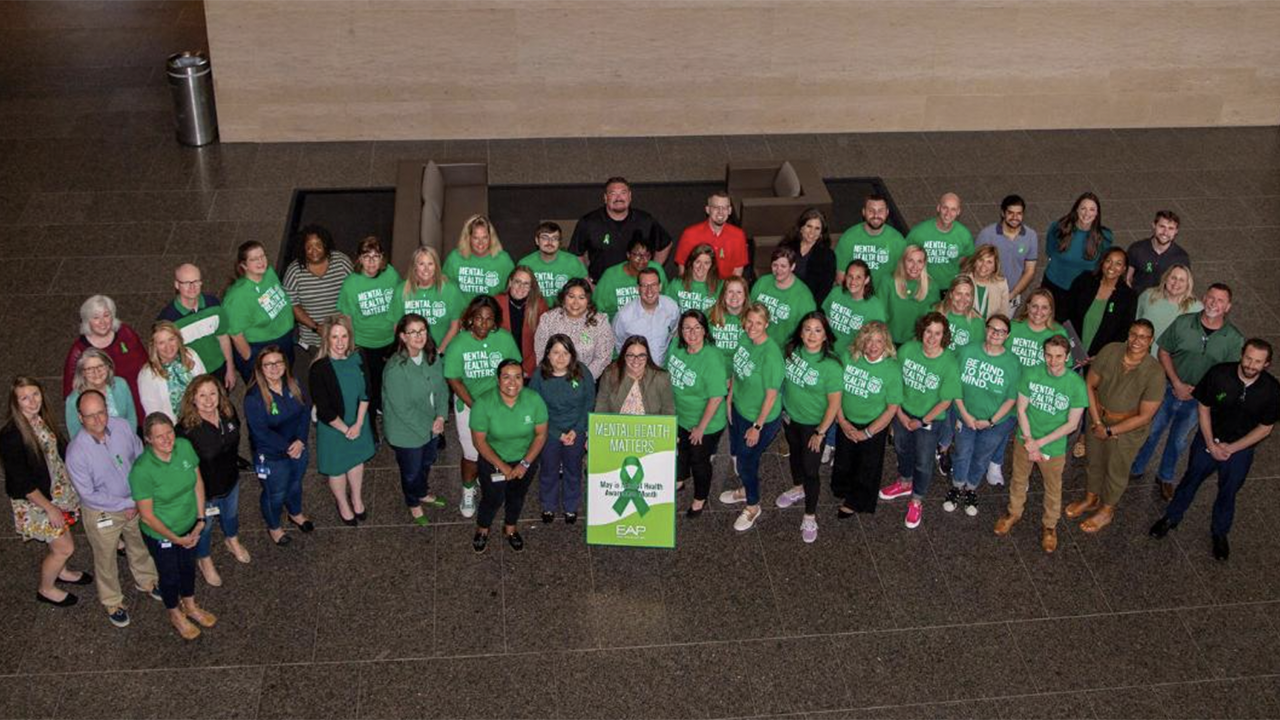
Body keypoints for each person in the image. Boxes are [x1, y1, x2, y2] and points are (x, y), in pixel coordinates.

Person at [1150, 340, 1279, 561]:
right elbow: (1204, 407)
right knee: (1190, 479)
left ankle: (1220, 533)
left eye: (1258, 361)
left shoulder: (1272, 391)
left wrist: (1232, 448)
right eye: (1248, 358)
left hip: (1241, 449)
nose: (1250, 364)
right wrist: (1210, 443)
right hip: (1208, 440)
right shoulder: (1219, 374)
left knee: (1228, 492)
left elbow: (1265, 428)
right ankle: (1171, 517)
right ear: (1241, 354)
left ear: (1267, 364)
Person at [1130, 283, 1245, 500]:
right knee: (1152, 430)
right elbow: (1164, 351)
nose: (1214, 303)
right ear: (1204, 298)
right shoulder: (1184, 322)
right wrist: (1176, 382)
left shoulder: (1233, 338)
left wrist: (1198, 391)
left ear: (1228, 306)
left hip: (1199, 400)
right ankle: (1136, 466)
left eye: (1221, 301)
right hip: (1168, 388)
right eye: (1211, 298)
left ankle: (1165, 476)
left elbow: (1229, 375)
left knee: (1178, 439)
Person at [65, 390, 159, 627]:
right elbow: (89, 495)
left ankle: (146, 580)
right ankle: (112, 601)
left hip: (134, 502)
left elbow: (140, 458)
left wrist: (138, 497)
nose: (98, 420)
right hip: (103, 512)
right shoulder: (76, 452)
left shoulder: (122, 427)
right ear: (80, 417)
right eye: (90, 416)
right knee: (105, 558)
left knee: (138, 542)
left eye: (101, 413)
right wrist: (128, 504)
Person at [1063, 321, 1164, 532]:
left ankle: (1107, 510)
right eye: (1134, 334)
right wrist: (1098, 422)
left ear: (1151, 340)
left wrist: (1111, 431)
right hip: (1098, 417)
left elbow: (1145, 416)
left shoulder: (1155, 372)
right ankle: (1091, 498)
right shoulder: (1110, 351)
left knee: (1116, 469)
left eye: (1144, 337)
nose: (1137, 340)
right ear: (1128, 334)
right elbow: (1090, 385)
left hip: (1127, 430)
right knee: (1094, 460)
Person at [993, 336, 1089, 554]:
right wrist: (1029, 441)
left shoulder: (1076, 385)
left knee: (1053, 488)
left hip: (1053, 446)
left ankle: (1050, 526)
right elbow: (1021, 409)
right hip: (1025, 440)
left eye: (1058, 356)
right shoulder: (1032, 373)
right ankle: (1013, 513)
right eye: (1048, 355)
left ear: (1066, 357)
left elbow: (1072, 424)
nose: (1052, 361)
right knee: (1018, 478)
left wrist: (1040, 444)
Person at [2, 377, 89, 608]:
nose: (32, 402)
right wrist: (50, 509)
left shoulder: (41, 419)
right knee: (65, 547)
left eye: (35, 395)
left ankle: (63, 571)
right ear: (15, 403)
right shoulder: (11, 435)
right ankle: (46, 588)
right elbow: (22, 482)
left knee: (62, 535)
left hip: (56, 489)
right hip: (37, 500)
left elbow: (58, 450)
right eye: (24, 398)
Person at [129, 412, 217, 640]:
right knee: (169, 576)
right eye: (159, 437)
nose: (168, 440)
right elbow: (147, 516)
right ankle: (175, 613)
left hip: (189, 526)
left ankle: (190, 605)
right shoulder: (142, 470)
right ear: (148, 440)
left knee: (187, 568)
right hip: (162, 535)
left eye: (170, 433)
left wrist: (200, 520)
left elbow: (197, 482)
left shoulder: (184, 446)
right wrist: (176, 539)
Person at [879, 312, 961, 529]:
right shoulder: (907, 350)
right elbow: (894, 382)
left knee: (924, 461)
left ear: (944, 336)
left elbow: (945, 401)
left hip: (929, 420)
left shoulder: (949, 363)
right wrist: (900, 414)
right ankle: (905, 482)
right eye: (928, 332)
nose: (932, 338)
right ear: (921, 332)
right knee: (901, 448)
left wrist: (922, 421)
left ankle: (917, 500)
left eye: (937, 333)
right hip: (903, 412)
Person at [445, 296, 522, 518]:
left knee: (497, 448)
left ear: (495, 321)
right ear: (470, 318)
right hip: (470, 405)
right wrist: (476, 406)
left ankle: (488, 477)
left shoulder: (504, 339)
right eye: (478, 318)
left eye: (489, 320)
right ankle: (468, 490)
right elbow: (453, 379)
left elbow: (514, 369)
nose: (483, 324)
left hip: (500, 405)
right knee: (471, 454)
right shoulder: (459, 343)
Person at [773, 312, 842, 542]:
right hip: (791, 419)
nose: (812, 335)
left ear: (825, 336)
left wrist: (821, 432)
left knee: (811, 471)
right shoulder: (791, 352)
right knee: (795, 459)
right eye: (807, 329)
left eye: (817, 330)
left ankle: (810, 516)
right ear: (800, 333)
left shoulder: (831, 366)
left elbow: (834, 403)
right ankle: (797, 487)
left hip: (814, 426)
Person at [944, 314, 1021, 517]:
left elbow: (1011, 399)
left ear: (1007, 335)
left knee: (981, 457)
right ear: (986, 330)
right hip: (965, 416)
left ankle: (971, 489)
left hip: (995, 423)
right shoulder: (968, 351)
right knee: (962, 452)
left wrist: (990, 421)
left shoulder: (1012, 363)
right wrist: (965, 415)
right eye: (992, 329)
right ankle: (956, 487)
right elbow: (955, 386)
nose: (996, 334)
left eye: (1001, 331)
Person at [469, 359, 549, 553]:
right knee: (492, 498)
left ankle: (510, 528)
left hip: (525, 459)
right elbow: (479, 442)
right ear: (498, 380)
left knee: (517, 495)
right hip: (494, 461)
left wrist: (524, 464)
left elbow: (541, 435)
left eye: (517, 377)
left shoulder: (534, 400)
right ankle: (483, 528)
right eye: (506, 377)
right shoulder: (484, 403)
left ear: (524, 379)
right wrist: (503, 467)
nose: (512, 382)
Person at [718, 303, 784, 532]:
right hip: (740, 409)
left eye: (758, 323)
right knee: (738, 452)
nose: (752, 327)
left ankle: (753, 505)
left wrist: (757, 426)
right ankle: (746, 489)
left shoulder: (771, 354)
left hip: (761, 418)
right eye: (749, 322)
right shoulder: (745, 340)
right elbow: (737, 371)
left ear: (766, 324)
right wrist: (730, 399)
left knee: (746, 460)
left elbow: (772, 395)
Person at [176, 374, 246, 588]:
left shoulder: (228, 411)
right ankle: (204, 559)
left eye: (212, 393)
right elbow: (183, 468)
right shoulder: (185, 430)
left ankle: (231, 540)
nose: (208, 400)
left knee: (231, 515)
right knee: (203, 529)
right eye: (202, 395)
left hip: (231, 480)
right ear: (193, 399)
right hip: (204, 493)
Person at [382, 314, 449, 526]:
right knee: (411, 472)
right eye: (413, 332)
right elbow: (402, 409)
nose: (419, 336)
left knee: (427, 461)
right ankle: (413, 501)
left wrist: (441, 415)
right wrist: (430, 427)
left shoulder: (433, 356)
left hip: (432, 424)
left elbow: (441, 389)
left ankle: (421, 492)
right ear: (402, 336)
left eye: (422, 330)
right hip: (406, 430)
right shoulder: (395, 368)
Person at [309, 315, 376, 525]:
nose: (340, 342)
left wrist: (358, 423)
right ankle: (342, 503)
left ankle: (356, 498)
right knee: (337, 468)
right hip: (334, 427)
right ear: (327, 339)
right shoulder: (319, 368)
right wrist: (346, 429)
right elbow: (325, 410)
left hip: (357, 422)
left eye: (344, 336)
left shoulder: (358, 356)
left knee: (356, 461)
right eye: (335, 337)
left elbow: (367, 392)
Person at [997, 289, 1067, 486]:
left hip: (1037, 396)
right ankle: (996, 462)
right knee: (1002, 428)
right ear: (1027, 307)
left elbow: (1062, 370)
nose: (1038, 311)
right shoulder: (1014, 327)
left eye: (1044, 307)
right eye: (1034, 306)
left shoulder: (1058, 332)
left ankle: (1024, 471)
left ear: (1051, 310)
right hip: (1009, 389)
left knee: (1028, 434)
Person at [243, 346, 313, 546]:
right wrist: (290, 447)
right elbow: (261, 432)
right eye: (268, 364)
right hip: (272, 455)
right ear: (260, 369)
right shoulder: (254, 398)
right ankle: (274, 527)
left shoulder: (293, 383)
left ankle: (295, 513)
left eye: (278, 363)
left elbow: (305, 411)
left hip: (298, 446)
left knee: (295, 484)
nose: (274, 368)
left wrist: (300, 440)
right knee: (275, 493)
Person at [832, 321, 901, 516]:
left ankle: (856, 502)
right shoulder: (848, 356)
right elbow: (835, 392)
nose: (873, 346)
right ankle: (842, 488)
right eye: (869, 340)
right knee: (844, 460)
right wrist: (842, 421)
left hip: (873, 425)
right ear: (861, 340)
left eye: (879, 341)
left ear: (885, 344)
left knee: (867, 466)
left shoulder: (891, 369)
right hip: (846, 419)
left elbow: (891, 408)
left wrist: (868, 432)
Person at [665, 310, 728, 518]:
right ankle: (680, 479)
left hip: (705, 423)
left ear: (704, 330)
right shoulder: (676, 346)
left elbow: (717, 396)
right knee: (681, 450)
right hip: (680, 415)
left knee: (699, 461)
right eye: (686, 328)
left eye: (697, 328)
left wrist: (701, 427)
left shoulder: (712, 358)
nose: (691, 333)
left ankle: (700, 498)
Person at [531, 334, 595, 524]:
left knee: (573, 470)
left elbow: (589, 403)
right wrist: (556, 434)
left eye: (565, 353)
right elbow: (535, 409)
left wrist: (577, 429)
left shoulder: (582, 372)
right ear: (548, 355)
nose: (560, 358)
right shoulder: (539, 376)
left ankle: (570, 506)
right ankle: (548, 506)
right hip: (549, 431)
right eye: (556, 352)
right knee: (549, 470)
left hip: (576, 430)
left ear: (572, 355)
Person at [337, 235, 401, 415]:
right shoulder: (351, 284)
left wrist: (398, 339)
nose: (371, 262)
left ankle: (383, 404)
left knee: (388, 378)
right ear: (359, 259)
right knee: (368, 383)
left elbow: (398, 307)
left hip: (389, 339)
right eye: (366, 257)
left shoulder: (391, 274)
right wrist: (350, 345)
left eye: (376, 256)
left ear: (382, 257)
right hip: (364, 343)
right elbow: (346, 317)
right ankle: (370, 416)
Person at [934, 275, 991, 475]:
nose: (962, 299)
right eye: (958, 293)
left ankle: (943, 448)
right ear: (950, 294)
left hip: (958, 378)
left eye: (968, 295)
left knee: (952, 415)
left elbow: (977, 356)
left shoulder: (976, 323)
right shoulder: (936, 312)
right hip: (936, 371)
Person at [282, 224, 354, 379]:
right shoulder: (294, 271)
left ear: (325, 245)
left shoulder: (341, 262)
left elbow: (355, 293)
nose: (314, 251)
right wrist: (316, 327)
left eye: (318, 246)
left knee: (347, 371)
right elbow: (293, 305)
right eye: (309, 247)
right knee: (325, 375)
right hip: (315, 336)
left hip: (343, 332)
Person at [570, 176, 673, 280]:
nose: (618, 198)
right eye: (613, 193)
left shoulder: (645, 220)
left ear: (630, 196)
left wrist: (652, 271)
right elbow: (576, 254)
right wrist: (587, 280)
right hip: (602, 287)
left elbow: (665, 244)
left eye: (623, 193)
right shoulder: (589, 222)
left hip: (636, 288)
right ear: (605, 198)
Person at [62, 294, 147, 416]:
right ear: (87, 321)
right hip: (106, 413)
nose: (102, 322)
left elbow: (146, 364)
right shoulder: (79, 351)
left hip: (138, 404)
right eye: (96, 317)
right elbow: (70, 393)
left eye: (106, 315)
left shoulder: (126, 333)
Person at [224, 240, 296, 381]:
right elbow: (235, 333)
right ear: (244, 265)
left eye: (262, 256)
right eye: (254, 259)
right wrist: (250, 358)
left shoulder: (269, 273)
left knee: (286, 377)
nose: (261, 261)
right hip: (262, 345)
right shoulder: (237, 297)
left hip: (283, 337)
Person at [158, 263, 235, 390]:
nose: (192, 287)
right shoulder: (168, 320)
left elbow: (223, 336)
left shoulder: (213, 304)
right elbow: (166, 356)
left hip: (218, 368)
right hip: (192, 376)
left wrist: (230, 368)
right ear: (177, 285)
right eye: (186, 283)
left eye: (196, 281)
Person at [1042, 192, 1113, 322]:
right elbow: (1050, 250)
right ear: (1076, 209)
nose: (1087, 213)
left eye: (1092, 209)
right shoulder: (1059, 228)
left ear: (1097, 213)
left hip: (1082, 291)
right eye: (1083, 208)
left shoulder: (1104, 237)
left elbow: (1104, 263)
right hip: (1054, 285)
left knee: (1072, 329)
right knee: (1045, 321)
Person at [1065, 247, 1137, 361]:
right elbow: (1066, 309)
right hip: (1071, 346)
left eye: (1118, 264)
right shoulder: (1085, 280)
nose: (1111, 267)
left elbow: (1124, 331)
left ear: (1124, 269)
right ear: (1102, 262)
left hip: (1099, 357)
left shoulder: (1128, 296)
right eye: (1108, 261)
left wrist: (1102, 355)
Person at [534, 278, 614, 380]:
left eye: (581, 298)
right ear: (563, 298)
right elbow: (541, 352)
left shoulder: (600, 322)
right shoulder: (548, 319)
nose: (575, 303)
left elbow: (603, 357)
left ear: (588, 301)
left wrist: (581, 380)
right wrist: (554, 379)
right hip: (552, 379)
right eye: (571, 297)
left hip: (586, 381)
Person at [392, 246, 464, 353]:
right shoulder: (401, 290)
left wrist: (440, 351)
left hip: (442, 351)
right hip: (412, 352)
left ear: (436, 267)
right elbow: (397, 326)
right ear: (414, 267)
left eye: (430, 264)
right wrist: (410, 351)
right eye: (421, 264)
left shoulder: (450, 289)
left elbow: (455, 325)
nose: (426, 269)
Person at [974, 195, 1038, 310]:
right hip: (986, 293)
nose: (1015, 217)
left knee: (1002, 326)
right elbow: (975, 265)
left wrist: (1012, 295)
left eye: (1019, 213)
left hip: (1011, 295)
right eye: (1010, 213)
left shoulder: (1030, 236)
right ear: (1003, 213)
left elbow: (1030, 271)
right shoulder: (987, 234)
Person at [137, 321, 206, 421]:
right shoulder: (147, 375)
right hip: (175, 427)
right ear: (154, 346)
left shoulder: (191, 355)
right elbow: (153, 413)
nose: (168, 346)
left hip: (202, 416)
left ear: (178, 339)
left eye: (171, 339)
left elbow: (206, 388)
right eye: (161, 343)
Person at [750, 245, 816, 347]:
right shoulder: (762, 282)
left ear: (793, 266)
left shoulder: (803, 296)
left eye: (783, 266)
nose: (778, 270)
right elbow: (749, 311)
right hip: (756, 342)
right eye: (775, 265)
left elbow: (807, 330)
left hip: (783, 349)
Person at [613, 267, 680, 366]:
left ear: (660, 287)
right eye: (644, 285)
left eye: (653, 285)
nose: (649, 291)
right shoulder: (624, 316)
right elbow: (618, 343)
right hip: (635, 370)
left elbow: (675, 333)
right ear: (638, 288)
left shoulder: (671, 307)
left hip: (662, 370)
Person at [906, 192, 974, 288]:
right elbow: (905, 257)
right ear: (938, 208)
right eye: (945, 208)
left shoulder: (964, 235)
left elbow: (966, 258)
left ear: (959, 212)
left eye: (953, 210)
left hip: (949, 288)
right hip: (922, 286)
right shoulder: (918, 233)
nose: (948, 213)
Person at [834, 194, 905, 286]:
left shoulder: (898, 240)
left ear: (887, 213)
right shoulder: (849, 238)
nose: (876, 215)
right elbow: (840, 277)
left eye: (880, 211)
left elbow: (902, 276)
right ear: (864, 212)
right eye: (871, 211)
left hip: (883, 296)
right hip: (854, 294)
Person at [595, 335, 676, 416]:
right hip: (617, 427)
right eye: (631, 355)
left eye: (641, 355)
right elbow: (601, 407)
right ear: (624, 356)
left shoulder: (661, 378)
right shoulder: (610, 375)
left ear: (647, 357)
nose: (636, 360)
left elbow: (668, 411)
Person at [674, 191, 748, 279]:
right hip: (697, 288)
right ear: (708, 210)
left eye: (724, 208)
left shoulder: (738, 235)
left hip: (724, 289)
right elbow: (682, 268)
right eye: (716, 207)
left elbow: (738, 271)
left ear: (730, 211)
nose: (720, 212)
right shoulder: (690, 234)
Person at [65, 349, 137, 437]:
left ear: (108, 367)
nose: (96, 372)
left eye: (100, 366)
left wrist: (128, 440)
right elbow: (75, 435)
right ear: (82, 373)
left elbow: (131, 418)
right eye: (90, 369)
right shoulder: (73, 400)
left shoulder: (121, 384)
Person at [593, 238, 669, 319]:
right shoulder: (611, 276)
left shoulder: (656, 270)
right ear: (628, 255)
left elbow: (666, 300)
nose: (642, 260)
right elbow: (597, 308)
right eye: (637, 255)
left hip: (650, 323)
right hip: (617, 326)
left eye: (647, 255)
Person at [444, 214, 515, 300]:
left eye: (484, 238)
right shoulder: (454, 258)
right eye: (475, 238)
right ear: (468, 238)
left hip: (492, 312)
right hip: (463, 312)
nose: (480, 243)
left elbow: (513, 292)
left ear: (491, 238)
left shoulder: (503, 260)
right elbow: (444, 290)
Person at [822, 259, 887, 351]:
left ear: (866, 280)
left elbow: (875, 339)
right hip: (827, 349)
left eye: (858, 277)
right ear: (845, 277)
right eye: (850, 276)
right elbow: (826, 320)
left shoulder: (875, 307)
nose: (853, 281)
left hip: (851, 356)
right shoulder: (836, 292)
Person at [1135, 264, 1201, 356]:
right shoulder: (1148, 296)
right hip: (1143, 359)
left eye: (1182, 280)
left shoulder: (1197, 308)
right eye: (1173, 278)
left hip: (1173, 365)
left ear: (1188, 284)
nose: (1176, 283)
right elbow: (1134, 324)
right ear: (1166, 278)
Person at [495, 266, 548, 379]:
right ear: (510, 282)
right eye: (517, 282)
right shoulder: (496, 302)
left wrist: (529, 368)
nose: (521, 287)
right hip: (500, 363)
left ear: (531, 287)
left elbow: (544, 339)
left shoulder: (539, 305)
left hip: (530, 366)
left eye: (526, 284)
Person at [517, 221, 588, 302]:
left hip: (564, 311)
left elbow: (585, 290)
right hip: (534, 310)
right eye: (545, 238)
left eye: (554, 238)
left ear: (560, 242)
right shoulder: (525, 264)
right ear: (537, 241)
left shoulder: (572, 261)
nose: (550, 242)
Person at [884, 245, 941, 346]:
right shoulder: (888, 281)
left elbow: (932, 320)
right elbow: (880, 314)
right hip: (888, 340)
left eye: (919, 261)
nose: (915, 266)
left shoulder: (932, 286)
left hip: (916, 342)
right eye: (910, 261)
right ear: (903, 262)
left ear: (924, 264)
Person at [1127, 210, 1190, 296]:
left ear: (1176, 231)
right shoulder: (1137, 249)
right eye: (1162, 226)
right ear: (1154, 225)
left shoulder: (1181, 257)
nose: (1165, 232)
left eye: (1171, 228)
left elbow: (1185, 286)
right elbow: (1127, 278)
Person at [780, 208, 837, 299]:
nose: (812, 232)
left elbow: (824, 289)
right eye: (809, 226)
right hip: (782, 296)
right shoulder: (786, 247)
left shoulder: (828, 256)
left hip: (808, 303)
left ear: (821, 233)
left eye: (817, 228)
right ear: (801, 228)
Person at [664, 243, 721, 314]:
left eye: (706, 263)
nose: (701, 267)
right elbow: (665, 309)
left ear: (712, 266)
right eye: (698, 262)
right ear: (691, 263)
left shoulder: (720, 286)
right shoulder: (677, 284)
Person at [708, 276, 749, 370]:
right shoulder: (710, 314)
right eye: (730, 292)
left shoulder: (751, 318)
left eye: (739, 292)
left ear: (745, 296)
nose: (734, 296)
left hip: (740, 371)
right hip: (714, 367)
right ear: (723, 295)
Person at [963, 245, 1011, 320]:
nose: (983, 265)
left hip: (990, 330)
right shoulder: (962, 280)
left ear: (995, 267)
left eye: (989, 262)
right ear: (974, 261)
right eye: (980, 260)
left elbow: (1004, 316)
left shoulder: (1001, 284)